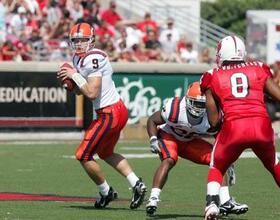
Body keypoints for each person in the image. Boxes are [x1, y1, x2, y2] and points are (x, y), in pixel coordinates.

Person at [57, 22, 147, 209]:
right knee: (105, 152)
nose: (79, 44)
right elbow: (82, 92)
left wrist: (75, 75)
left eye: (83, 40)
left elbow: (91, 93)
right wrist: (71, 84)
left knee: (82, 155)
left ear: (92, 40)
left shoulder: (94, 57)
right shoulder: (77, 59)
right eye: (76, 40)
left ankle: (106, 192)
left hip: (110, 112)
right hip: (113, 110)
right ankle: (137, 184)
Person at [200, 35, 280, 220]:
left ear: (221, 53)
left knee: (217, 165)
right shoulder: (258, 68)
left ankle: (212, 204)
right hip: (261, 125)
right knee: (274, 164)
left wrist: (220, 127)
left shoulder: (212, 75)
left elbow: (213, 121)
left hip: (234, 127)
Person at [145, 81, 248, 216]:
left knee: (217, 160)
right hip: (169, 136)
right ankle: (153, 198)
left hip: (190, 141)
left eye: (203, 104)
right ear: (187, 101)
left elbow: (220, 138)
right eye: (196, 103)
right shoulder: (175, 108)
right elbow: (152, 120)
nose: (199, 108)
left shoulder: (212, 115)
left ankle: (225, 202)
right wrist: (153, 139)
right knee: (169, 159)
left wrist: (227, 160)